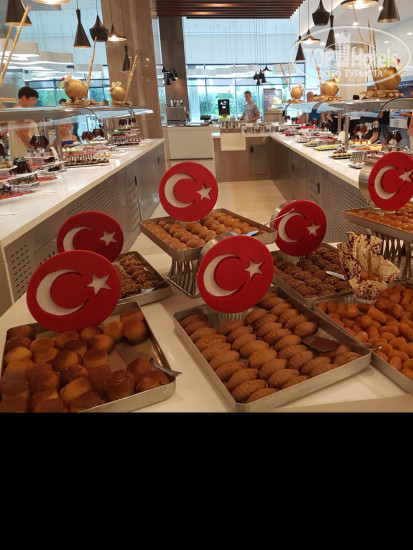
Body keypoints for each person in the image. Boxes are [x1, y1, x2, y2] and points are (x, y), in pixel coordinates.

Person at [8, 86, 39, 160]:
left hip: (18, 155)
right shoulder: (22, 112)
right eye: (33, 99)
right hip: (26, 156)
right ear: (24, 98)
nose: (35, 102)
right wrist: (37, 148)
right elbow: (24, 135)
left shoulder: (13, 111)